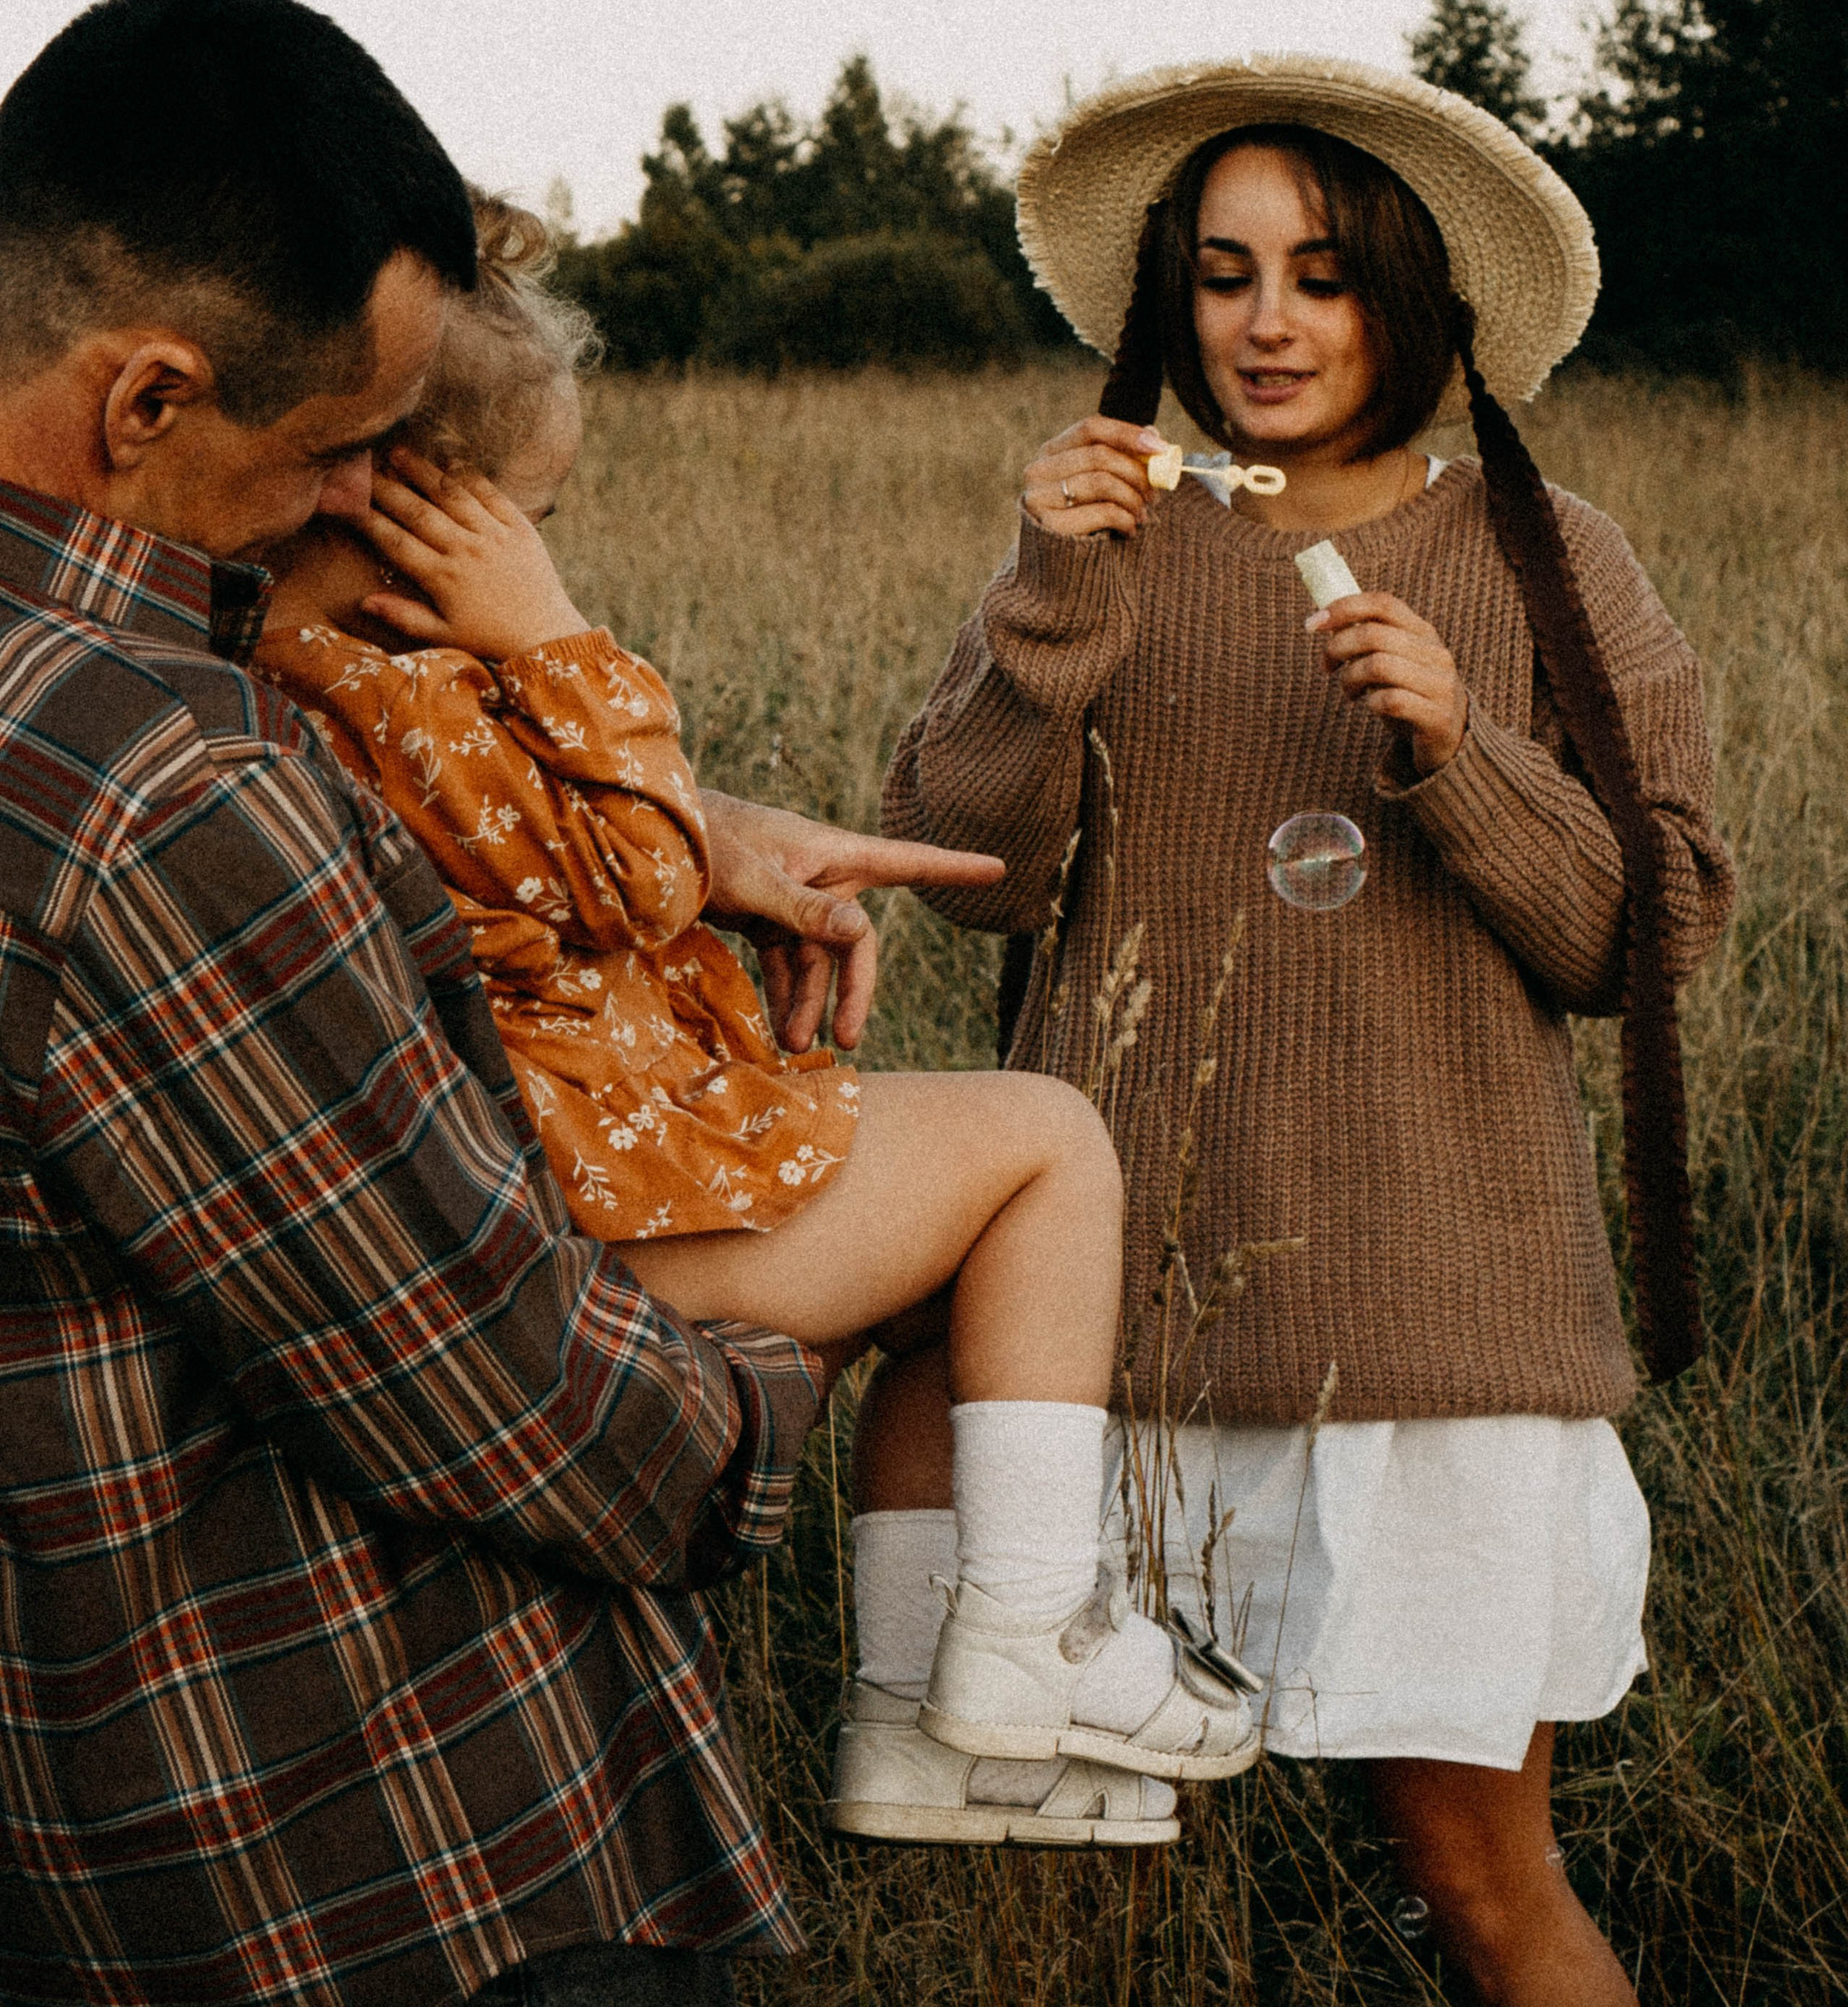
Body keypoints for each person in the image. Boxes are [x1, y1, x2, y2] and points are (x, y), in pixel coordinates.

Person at [0, 0, 1001, 2007]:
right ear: (147, 402)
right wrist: (803, 1352)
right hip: (393, 1864)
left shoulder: (155, 718)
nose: (361, 514)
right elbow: (512, 1403)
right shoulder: (161, 789)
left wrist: (671, 820)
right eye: (343, 455)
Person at [878, 56, 1735, 2005]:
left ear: (1415, 301)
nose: (1264, 322)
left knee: (1477, 1873)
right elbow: (959, 867)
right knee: (1071, 1899)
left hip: (1442, 1343)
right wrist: (1043, 606)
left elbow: (1653, 933)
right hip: (1107, 1355)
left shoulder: (1544, 554)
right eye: (1224, 271)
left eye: (1325, 276)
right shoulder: (1111, 543)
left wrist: (1462, 752)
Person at [259, 193, 1260, 1856]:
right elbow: (630, 874)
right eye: (531, 518)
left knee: (978, 1298)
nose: (547, 551)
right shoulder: (398, 687)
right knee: (1043, 1146)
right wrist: (554, 638)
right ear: (416, 514)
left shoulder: (296, 670)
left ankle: (911, 1729)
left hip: (572, 1175)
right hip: (602, 1207)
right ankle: (1039, 1627)